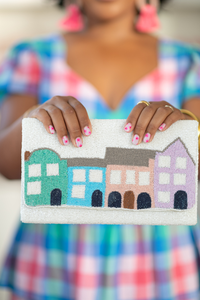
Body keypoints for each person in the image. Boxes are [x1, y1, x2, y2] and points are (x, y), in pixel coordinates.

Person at [0, 0, 200, 299]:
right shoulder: (32, 57)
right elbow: (7, 166)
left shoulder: (188, 62)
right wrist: (31, 121)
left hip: (161, 260)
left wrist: (186, 127)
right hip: (55, 258)